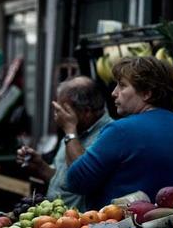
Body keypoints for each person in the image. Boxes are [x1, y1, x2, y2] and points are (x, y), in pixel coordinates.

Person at [66, 56, 173, 210]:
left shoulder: (121, 131)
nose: (114, 93)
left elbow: (76, 181)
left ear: (146, 93)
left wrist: (70, 134)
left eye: (122, 86)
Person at [16, 76, 113, 212]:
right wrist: (40, 167)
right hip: (54, 222)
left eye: (63, 110)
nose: (58, 116)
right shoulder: (74, 131)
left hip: (80, 226)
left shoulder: (108, 134)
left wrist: (69, 129)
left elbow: (82, 177)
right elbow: (64, 182)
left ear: (86, 112)